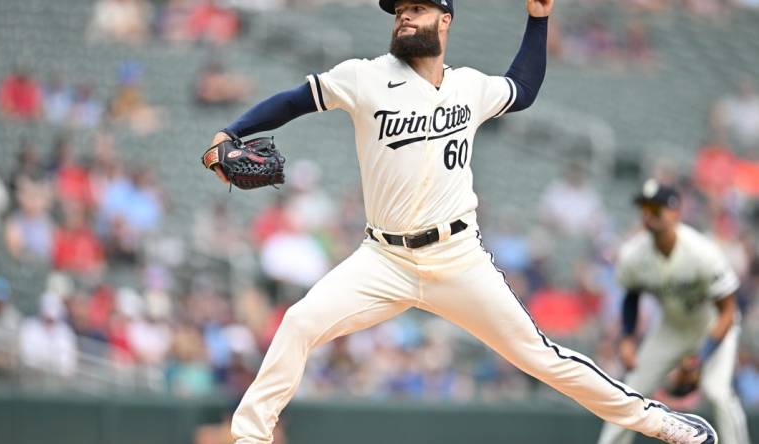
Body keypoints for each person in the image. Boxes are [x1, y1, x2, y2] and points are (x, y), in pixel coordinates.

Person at [204, 1, 717, 443]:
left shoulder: (469, 87)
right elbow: (295, 100)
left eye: (417, 9)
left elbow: (523, 87)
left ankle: (656, 423)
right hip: (383, 259)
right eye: (400, 11)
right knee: (298, 322)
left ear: (444, 20)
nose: (404, 16)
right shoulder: (363, 76)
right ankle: (250, 437)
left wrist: (538, 19)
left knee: (542, 357)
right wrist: (232, 130)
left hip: (457, 257)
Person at [597, 179, 751, 444]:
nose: (648, 214)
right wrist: (627, 338)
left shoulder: (701, 251)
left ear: (675, 212)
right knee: (630, 390)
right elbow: (632, 296)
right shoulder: (634, 254)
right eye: (644, 208)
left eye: (656, 208)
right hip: (671, 326)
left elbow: (728, 310)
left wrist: (698, 359)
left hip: (711, 325)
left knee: (717, 392)